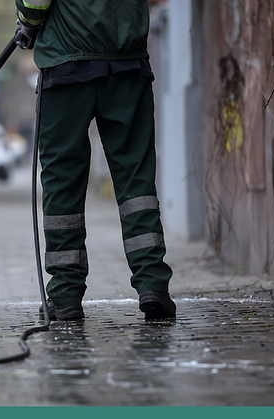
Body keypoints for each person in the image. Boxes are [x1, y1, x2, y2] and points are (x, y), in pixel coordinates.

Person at [15, 0, 176, 320]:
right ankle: (153, 284)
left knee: (63, 181)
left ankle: (65, 295)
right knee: (136, 178)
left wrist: (28, 24)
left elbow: (35, 2)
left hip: (65, 66)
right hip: (127, 63)